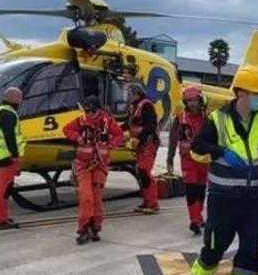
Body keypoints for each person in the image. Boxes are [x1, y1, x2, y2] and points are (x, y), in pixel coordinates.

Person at [185, 67, 258, 275]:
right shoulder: (217, 119)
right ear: (242, 93)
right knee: (213, 251)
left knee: (251, 254)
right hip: (224, 200)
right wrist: (221, 152)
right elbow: (196, 150)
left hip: (256, 201)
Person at [63, 95, 124, 244]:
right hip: (83, 164)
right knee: (86, 197)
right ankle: (83, 227)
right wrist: (77, 137)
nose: (89, 114)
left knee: (96, 199)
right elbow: (66, 129)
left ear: (98, 110)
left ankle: (95, 227)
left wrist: (110, 145)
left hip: (100, 165)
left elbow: (119, 135)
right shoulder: (80, 121)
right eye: (87, 111)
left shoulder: (107, 122)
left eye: (92, 111)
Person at [167, 86, 209, 235]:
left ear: (200, 100)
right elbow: (172, 139)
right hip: (187, 159)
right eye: (189, 101)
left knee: (201, 189)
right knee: (191, 189)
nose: (192, 104)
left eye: (194, 100)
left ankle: (199, 216)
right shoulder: (179, 119)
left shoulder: (208, 117)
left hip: (204, 159)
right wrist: (169, 158)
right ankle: (195, 220)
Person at [0, 86, 26, 230]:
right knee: (5, 189)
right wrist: (15, 156)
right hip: (8, 157)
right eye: (20, 97)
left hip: (2, 155)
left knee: (1, 188)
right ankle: (0, 220)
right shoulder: (8, 114)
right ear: (14, 98)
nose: (21, 100)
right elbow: (10, 136)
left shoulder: (1, 111)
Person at [123, 83, 161, 214]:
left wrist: (139, 138)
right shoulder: (134, 107)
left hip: (148, 143)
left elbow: (151, 125)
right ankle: (146, 201)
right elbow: (128, 123)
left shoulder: (146, 105)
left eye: (130, 93)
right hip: (139, 144)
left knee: (145, 171)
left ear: (136, 93)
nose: (128, 96)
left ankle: (153, 203)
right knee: (140, 171)